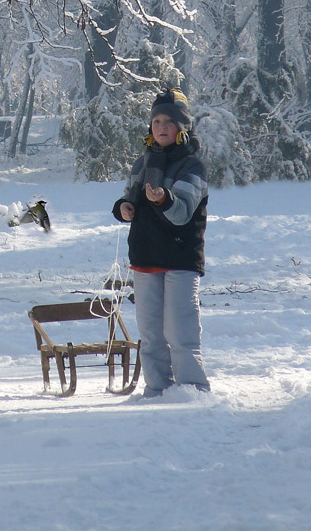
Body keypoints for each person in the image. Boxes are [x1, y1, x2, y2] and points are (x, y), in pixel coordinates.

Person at [112, 88, 211, 396]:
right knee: (151, 334)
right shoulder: (143, 164)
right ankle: (156, 389)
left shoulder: (192, 166)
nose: (162, 127)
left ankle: (192, 390)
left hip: (180, 259)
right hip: (145, 257)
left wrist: (164, 198)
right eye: (156, 121)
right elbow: (131, 196)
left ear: (183, 127)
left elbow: (181, 212)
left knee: (180, 331)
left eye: (169, 121)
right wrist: (124, 207)